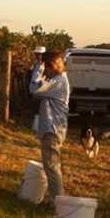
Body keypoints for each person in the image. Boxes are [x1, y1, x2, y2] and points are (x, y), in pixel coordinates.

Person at [29, 50, 70, 203]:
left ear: (52, 66)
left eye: (46, 67)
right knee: (51, 166)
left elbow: (34, 89)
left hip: (52, 129)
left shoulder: (57, 82)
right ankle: (56, 200)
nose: (45, 71)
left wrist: (38, 67)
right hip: (53, 128)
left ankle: (57, 202)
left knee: (52, 167)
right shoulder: (58, 80)